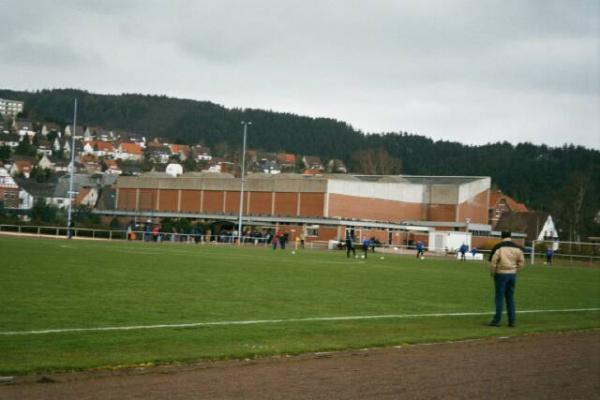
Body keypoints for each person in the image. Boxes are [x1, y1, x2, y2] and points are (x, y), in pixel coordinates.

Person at [488, 231, 525, 327]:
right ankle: (512, 321)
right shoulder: (517, 248)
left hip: (501, 274)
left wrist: (493, 273)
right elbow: (521, 262)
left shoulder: (499, 247)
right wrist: (516, 271)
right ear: (510, 236)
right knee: (510, 298)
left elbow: (493, 261)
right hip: (512, 274)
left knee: (499, 297)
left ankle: (497, 320)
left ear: (502, 237)